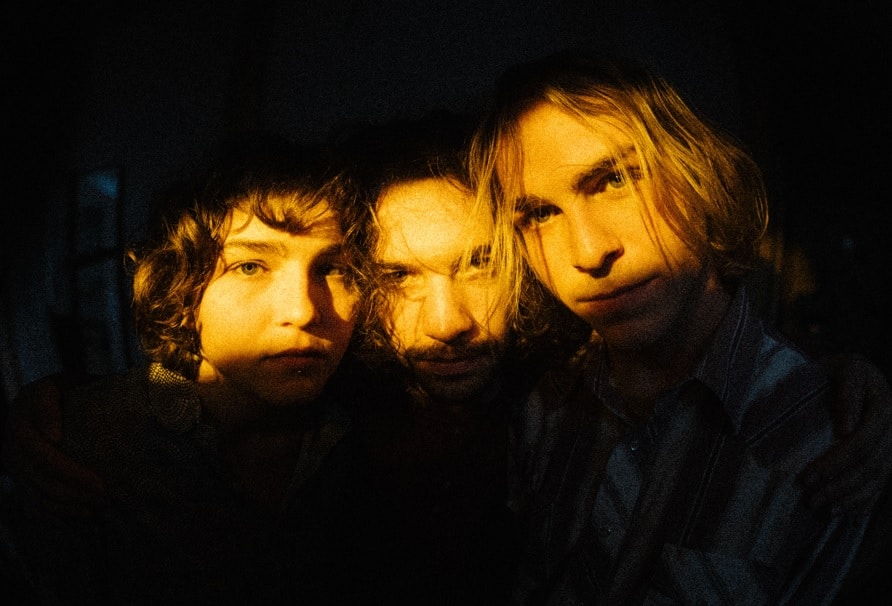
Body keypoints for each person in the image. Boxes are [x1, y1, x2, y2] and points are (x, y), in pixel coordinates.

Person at [469, 49, 885, 604]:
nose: (588, 252)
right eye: (541, 214)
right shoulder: (543, 407)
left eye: (614, 179)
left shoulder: (825, 443)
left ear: (697, 170)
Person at [2, 134, 364, 604]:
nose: (304, 311)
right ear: (182, 286)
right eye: (250, 267)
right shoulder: (85, 448)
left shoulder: (370, 433)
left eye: (334, 268)